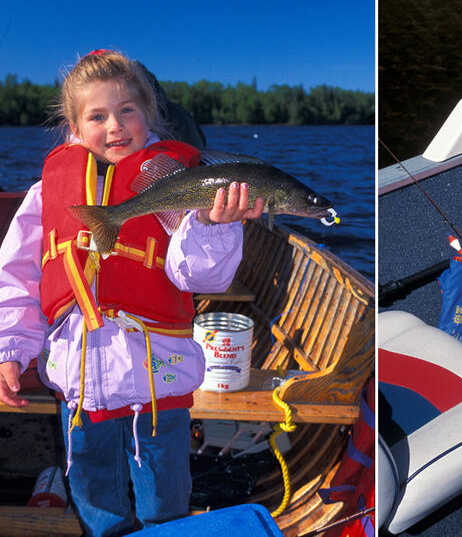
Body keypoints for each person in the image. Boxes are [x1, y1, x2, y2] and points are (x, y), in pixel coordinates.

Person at [0, 50, 264, 536]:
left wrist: (211, 224)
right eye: (97, 116)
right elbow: (18, 276)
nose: (115, 126)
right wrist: (12, 349)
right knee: (95, 498)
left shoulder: (177, 183)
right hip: (78, 390)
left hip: (158, 388)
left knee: (165, 503)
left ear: (149, 114)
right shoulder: (46, 193)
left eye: (127, 111)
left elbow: (200, 278)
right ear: (75, 128)